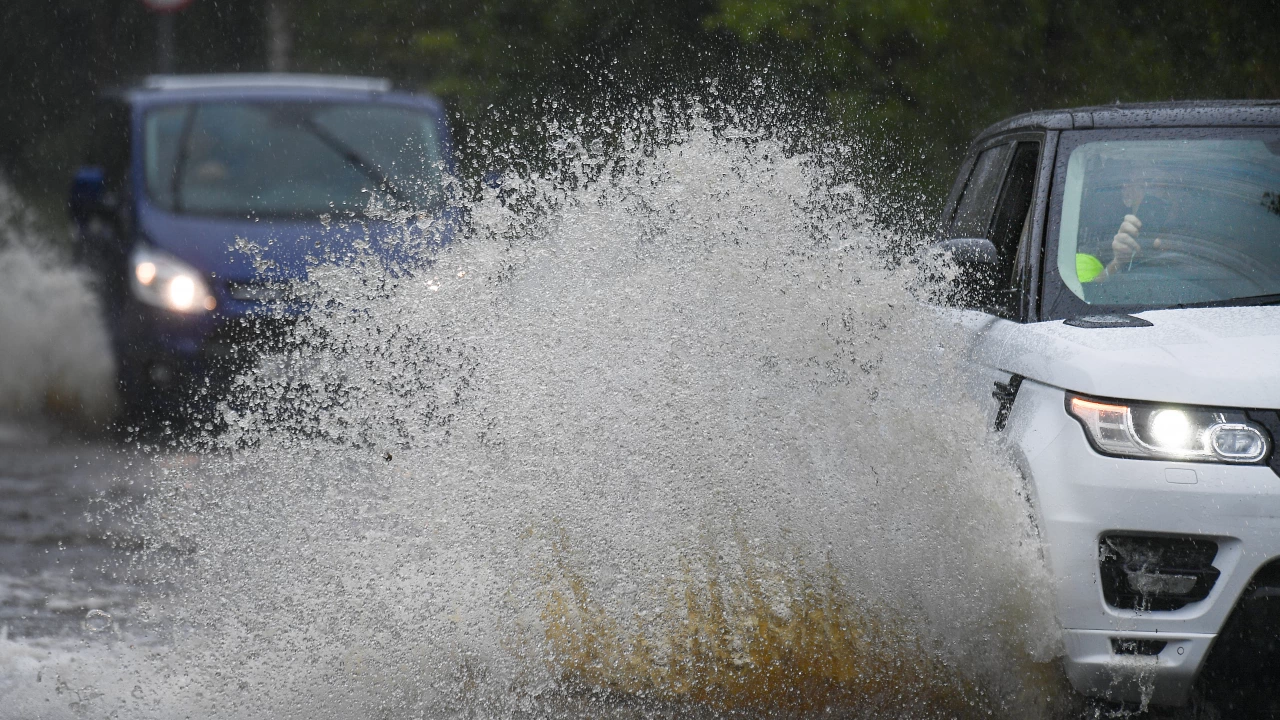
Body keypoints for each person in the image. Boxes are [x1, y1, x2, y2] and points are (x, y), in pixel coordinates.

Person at [1077, 178, 1166, 283]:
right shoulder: (1095, 248)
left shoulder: (1187, 251)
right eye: (1142, 187)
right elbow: (1085, 292)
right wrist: (1118, 261)